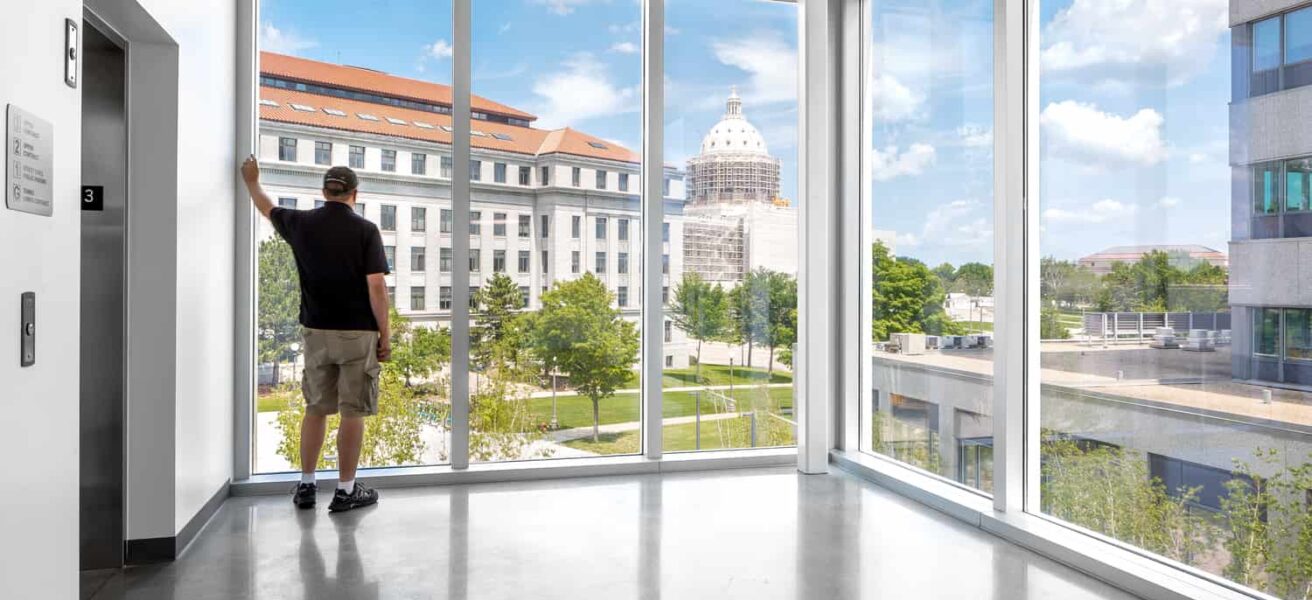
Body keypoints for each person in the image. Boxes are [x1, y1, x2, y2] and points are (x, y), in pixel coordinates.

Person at [242, 156, 390, 513]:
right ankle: (345, 491)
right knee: (352, 411)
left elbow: (267, 207)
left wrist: (251, 181)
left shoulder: (302, 224)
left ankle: (306, 486)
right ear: (355, 194)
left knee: (316, 409)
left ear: (324, 192)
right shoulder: (366, 230)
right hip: (357, 333)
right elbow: (377, 288)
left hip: (316, 330)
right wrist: (385, 335)